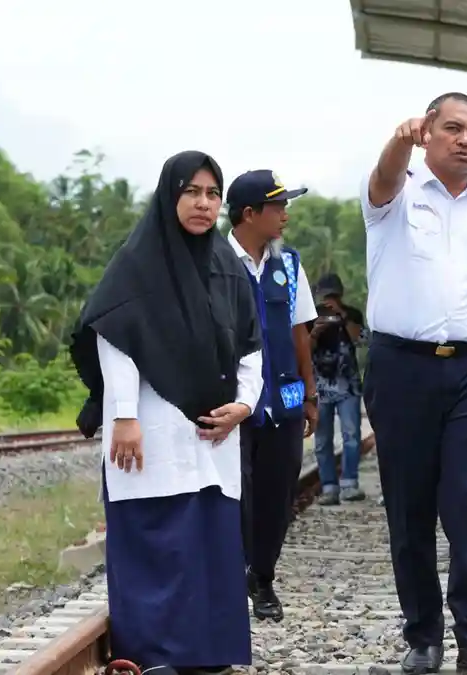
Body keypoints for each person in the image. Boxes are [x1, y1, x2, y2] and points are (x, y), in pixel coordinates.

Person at [360, 92, 467, 674]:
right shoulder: (395, 196)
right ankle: (424, 637)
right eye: (453, 128)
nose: (466, 140)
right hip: (401, 367)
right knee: (409, 509)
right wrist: (396, 139)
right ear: (427, 133)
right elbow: (384, 174)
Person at [68, 151, 261, 674]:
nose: (203, 203)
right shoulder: (139, 262)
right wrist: (124, 415)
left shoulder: (225, 264)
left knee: (209, 539)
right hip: (151, 423)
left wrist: (245, 404)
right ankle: (152, 656)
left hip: (215, 431)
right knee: (157, 539)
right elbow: (115, 336)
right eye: (191, 192)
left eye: (212, 194)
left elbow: (250, 345)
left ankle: (209, 653)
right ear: (169, 194)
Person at [226, 169, 319, 622]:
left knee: (277, 493)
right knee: (234, 494)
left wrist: (310, 394)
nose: (285, 215)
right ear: (249, 213)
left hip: (282, 399)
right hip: (230, 404)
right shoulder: (212, 262)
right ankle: (232, 576)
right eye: (278, 206)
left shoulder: (289, 264)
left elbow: (300, 333)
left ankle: (262, 577)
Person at [310, 272, 368, 504]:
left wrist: (342, 316)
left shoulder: (351, 314)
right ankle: (329, 487)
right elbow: (305, 347)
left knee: (351, 436)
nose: (329, 301)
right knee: (322, 440)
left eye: (332, 296)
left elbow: (360, 339)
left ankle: (349, 484)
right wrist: (316, 329)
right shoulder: (311, 315)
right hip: (320, 387)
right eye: (325, 297)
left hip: (348, 385)